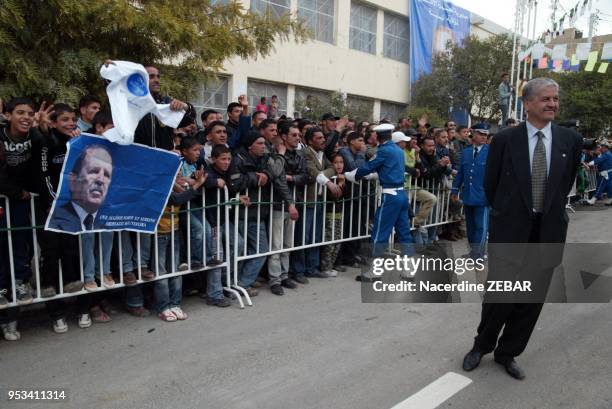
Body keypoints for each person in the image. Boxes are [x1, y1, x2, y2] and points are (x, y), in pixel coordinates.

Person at [462, 77, 582, 380]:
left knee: (531, 298)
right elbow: (492, 186)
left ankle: (508, 352)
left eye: (555, 99)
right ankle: (482, 345)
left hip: (549, 231)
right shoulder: (504, 140)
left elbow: (565, 183)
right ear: (527, 103)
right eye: (545, 99)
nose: (553, 104)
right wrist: (511, 213)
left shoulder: (570, 140)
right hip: (510, 231)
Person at [345, 124, 416, 281]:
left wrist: (353, 175)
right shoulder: (398, 150)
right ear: (390, 135)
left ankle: (375, 272)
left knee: (379, 233)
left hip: (390, 196)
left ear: (377, 137)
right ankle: (409, 270)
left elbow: (368, 167)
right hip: (401, 194)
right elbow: (389, 169)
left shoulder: (383, 150)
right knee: (404, 233)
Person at [47, 143, 112, 233]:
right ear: (73, 180)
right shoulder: (56, 219)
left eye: (106, 175)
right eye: (94, 171)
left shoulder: (109, 221)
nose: (100, 180)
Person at [451, 123, 489, 260]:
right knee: (471, 227)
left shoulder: (490, 152)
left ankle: (478, 255)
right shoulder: (467, 152)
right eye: (481, 134)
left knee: (481, 227)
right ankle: (474, 252)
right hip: (468, 194)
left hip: (483, 196)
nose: (484, 137)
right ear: (473, 133)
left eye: (485, 134)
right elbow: (461, 172)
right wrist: (454, 190)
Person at [319, 154, 345, 277]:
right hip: (329, 213)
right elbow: (335, 196)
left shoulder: (342, 177)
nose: (339, 165)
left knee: (338, 241)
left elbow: (346, 195)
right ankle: (325, 267)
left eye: (341, 162)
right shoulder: (330, 179)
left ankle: (331, 265)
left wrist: (342, 183)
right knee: (329, 242)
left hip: (339, 214)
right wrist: (339, 184)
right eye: (336, 162)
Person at [585, 139, 612, 205]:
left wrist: (589, 164)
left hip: (605, 173)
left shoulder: (606, 154)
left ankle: (593, 200)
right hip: (608, 172)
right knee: (609, 187)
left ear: (605, 148)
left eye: (602, 147)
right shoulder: (607, 154)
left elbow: (598, 160)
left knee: (600, 186)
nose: (600, 148)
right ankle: (611, 200)